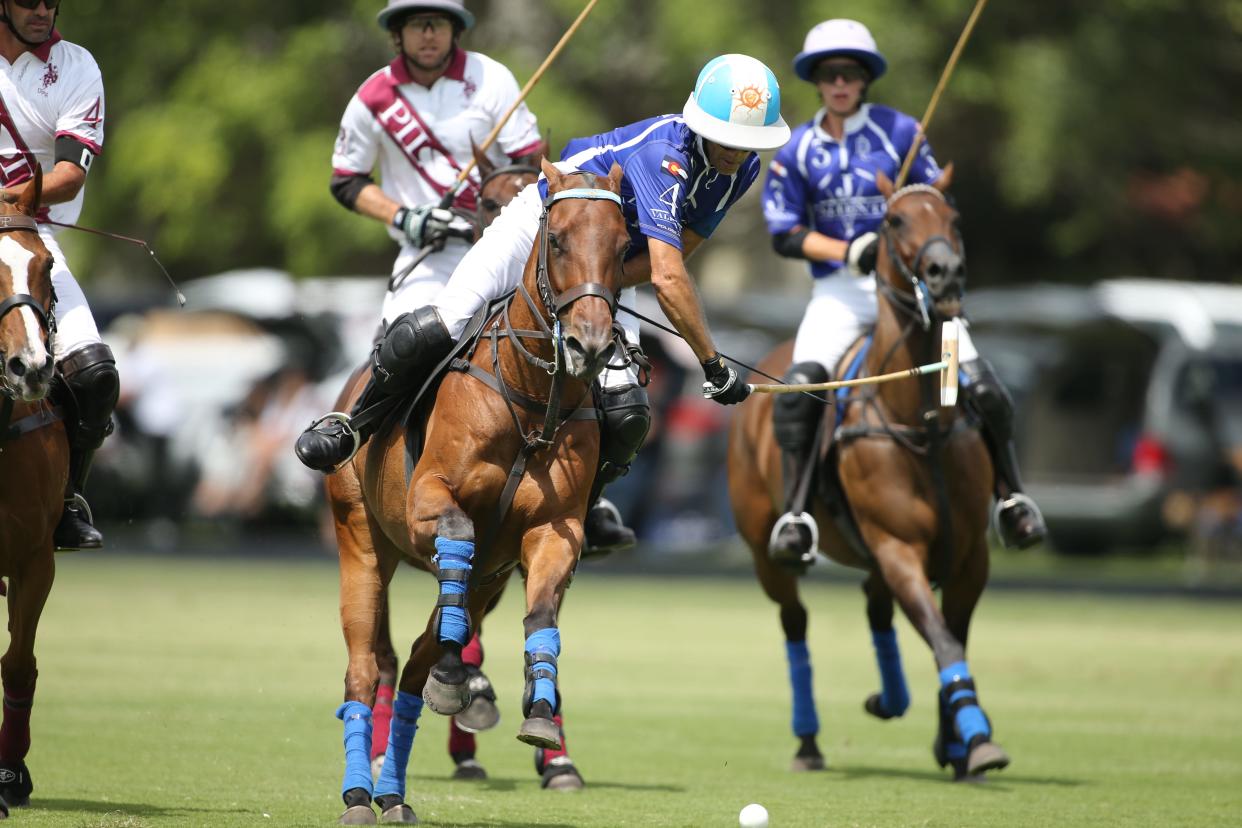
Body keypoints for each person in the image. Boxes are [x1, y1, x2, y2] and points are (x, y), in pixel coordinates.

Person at [298, 53, 790, 555]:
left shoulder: (742, 169)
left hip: (601, 260)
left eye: (748, 142)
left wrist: (594, 284)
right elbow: (669, 275)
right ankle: (352, 427)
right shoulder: (666, 154)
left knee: (627, 406)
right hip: (540, 225)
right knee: (445, 321)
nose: (735, 151)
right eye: (727, 139)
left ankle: (587, 503)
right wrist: (712, 363)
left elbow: (682, 248)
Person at [760, 19, 1045, 565]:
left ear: (864, 80)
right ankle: (797, 514)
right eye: (829, 73)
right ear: (817, 81)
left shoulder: (900, 133)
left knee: (982, 384)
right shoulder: (796, 149)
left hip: (912, 293)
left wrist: (901, 240)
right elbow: (785, 234)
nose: (840, 82)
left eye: (850, 73)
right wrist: (848, 251)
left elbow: (934, 200)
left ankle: (1011, 497)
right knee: (801, 385)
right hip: (840, 293)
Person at [328, 0, 543, 331]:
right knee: (403, 347)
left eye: (438, 24)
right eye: (417, 24)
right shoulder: (373, 97)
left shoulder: (490, 78)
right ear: (397, 33)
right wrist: (404, 217)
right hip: (429, 253)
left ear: (455, 30)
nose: (428, 36)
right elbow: (346, 180)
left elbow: (528, 165)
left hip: (500, 246)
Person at [0, 0, 118, 551]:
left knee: (94, 375)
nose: (42, 9)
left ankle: (66, 502)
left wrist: (5, 204)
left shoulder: (74, 66)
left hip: (32, 240)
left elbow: (68, 176)